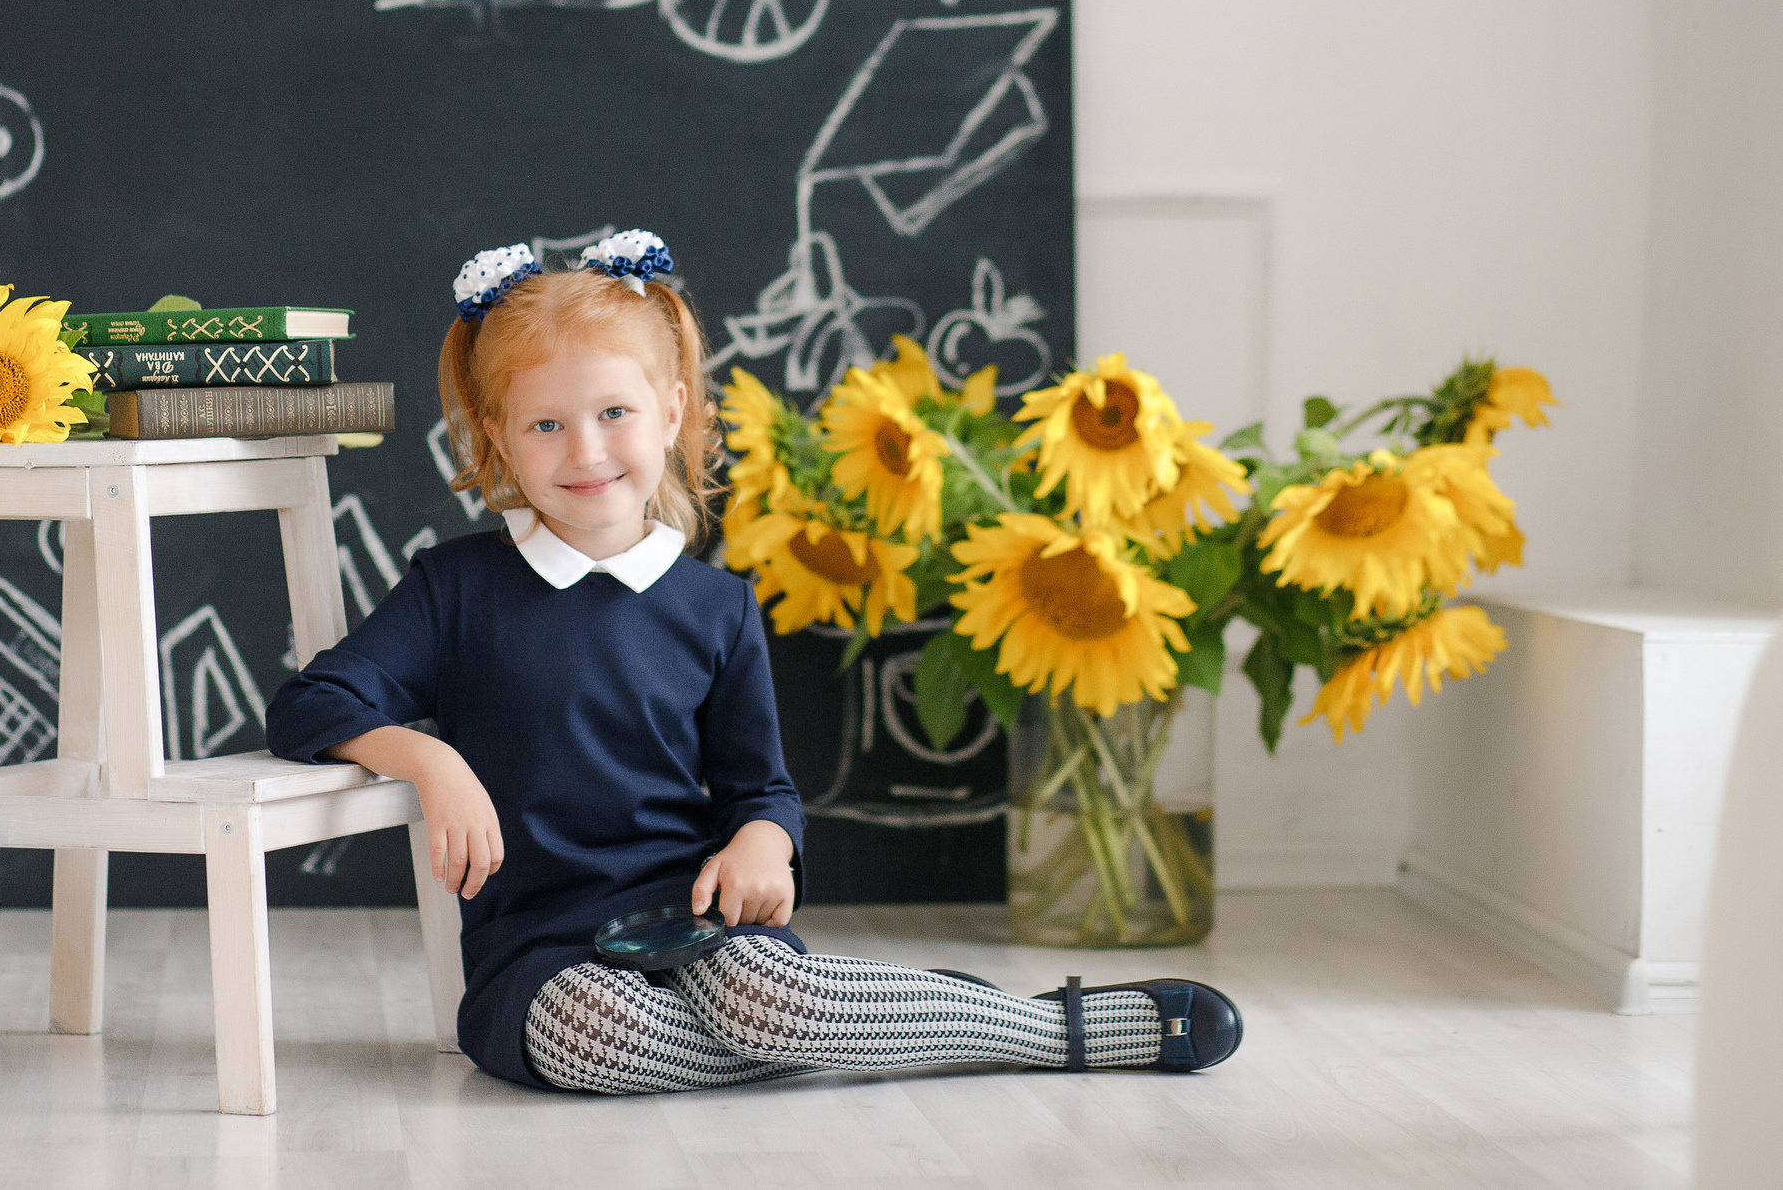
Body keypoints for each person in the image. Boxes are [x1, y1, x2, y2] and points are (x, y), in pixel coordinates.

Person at [264, 231, 1241, 1093]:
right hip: (540, 955)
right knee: (598, 1035)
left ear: (672, 412)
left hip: (700, 918)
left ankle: (1050, 1030)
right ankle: (881, 1025)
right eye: (545, 425)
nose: (585, 450)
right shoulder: (455, 589)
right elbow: (311, 702)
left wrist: (763, 846)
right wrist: (428, 758)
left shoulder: (715, 606)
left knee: (771, 1000)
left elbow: (759, 789)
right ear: (497, 439)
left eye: (613, 412)